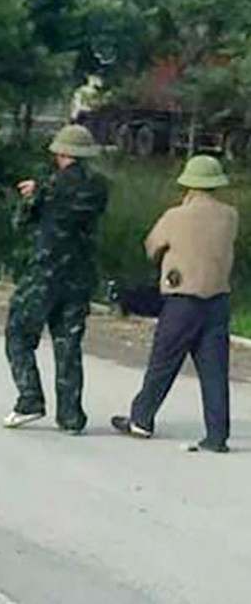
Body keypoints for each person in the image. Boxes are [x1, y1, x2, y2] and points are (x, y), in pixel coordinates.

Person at [112, 155, 238, 453]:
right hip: (218, 300)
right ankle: (217, 436)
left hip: (182, 301)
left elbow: (152, 246)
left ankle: (141, 419)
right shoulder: (231, 216)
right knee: (214, 371)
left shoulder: (175, 216)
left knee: (163, 363)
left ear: (188, 185)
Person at [3, 123, 108, 434]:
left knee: (19, 334)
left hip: (44, 275)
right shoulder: (99, 187)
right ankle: (71, 415)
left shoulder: (48, 186)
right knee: (68, 343)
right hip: (80, 276)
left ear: (61, 152)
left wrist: (29, 196)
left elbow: (20, 223)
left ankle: (30, 398)